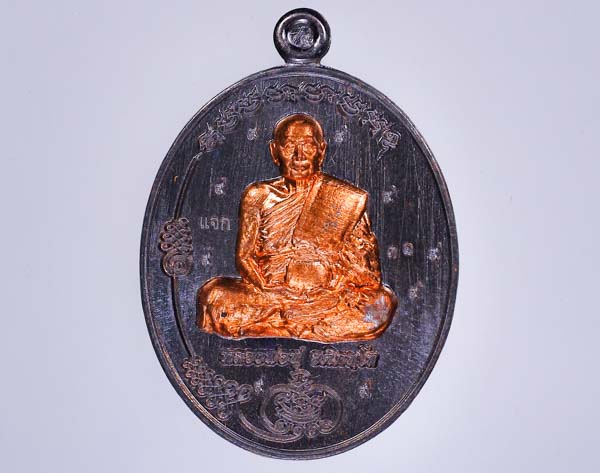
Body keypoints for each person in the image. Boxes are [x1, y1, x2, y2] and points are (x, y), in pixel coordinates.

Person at [197, 113, 397, 342]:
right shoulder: (258, 195)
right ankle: (302, 325)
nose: (299, 156)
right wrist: (269, 288)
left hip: (326, 295)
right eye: (290, 146)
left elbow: (368, 276)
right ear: (275, 151)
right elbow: (244, 258)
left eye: (308, 146)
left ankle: (276, 325)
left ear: (321, 151)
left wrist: (331, 275)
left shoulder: (345, 200)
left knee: (381, 304)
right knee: (214, 294)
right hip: (269, 294)